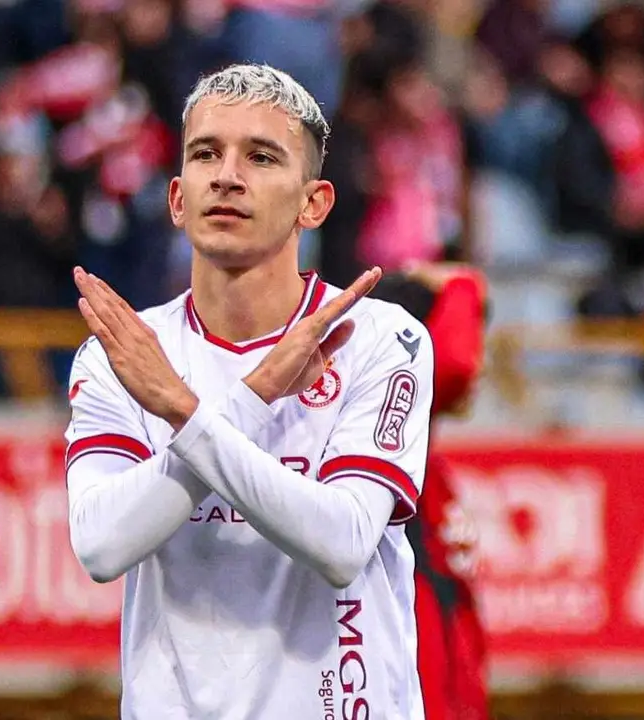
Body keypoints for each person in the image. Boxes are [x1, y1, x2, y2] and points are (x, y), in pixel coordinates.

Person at [63, 64, 435, 719]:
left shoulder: (378, 337)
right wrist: (253, 394)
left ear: (312, 202)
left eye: (261, 157)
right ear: (177, 198)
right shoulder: (125, 354)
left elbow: (343, 543)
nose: (226, 175)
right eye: (206, 153)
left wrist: (182, 410)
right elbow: (102, 546)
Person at [370, 263, 491, 720]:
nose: (481, 362)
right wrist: (461, 283)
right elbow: (456, 365)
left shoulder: (431, 463)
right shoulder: (395, 443)